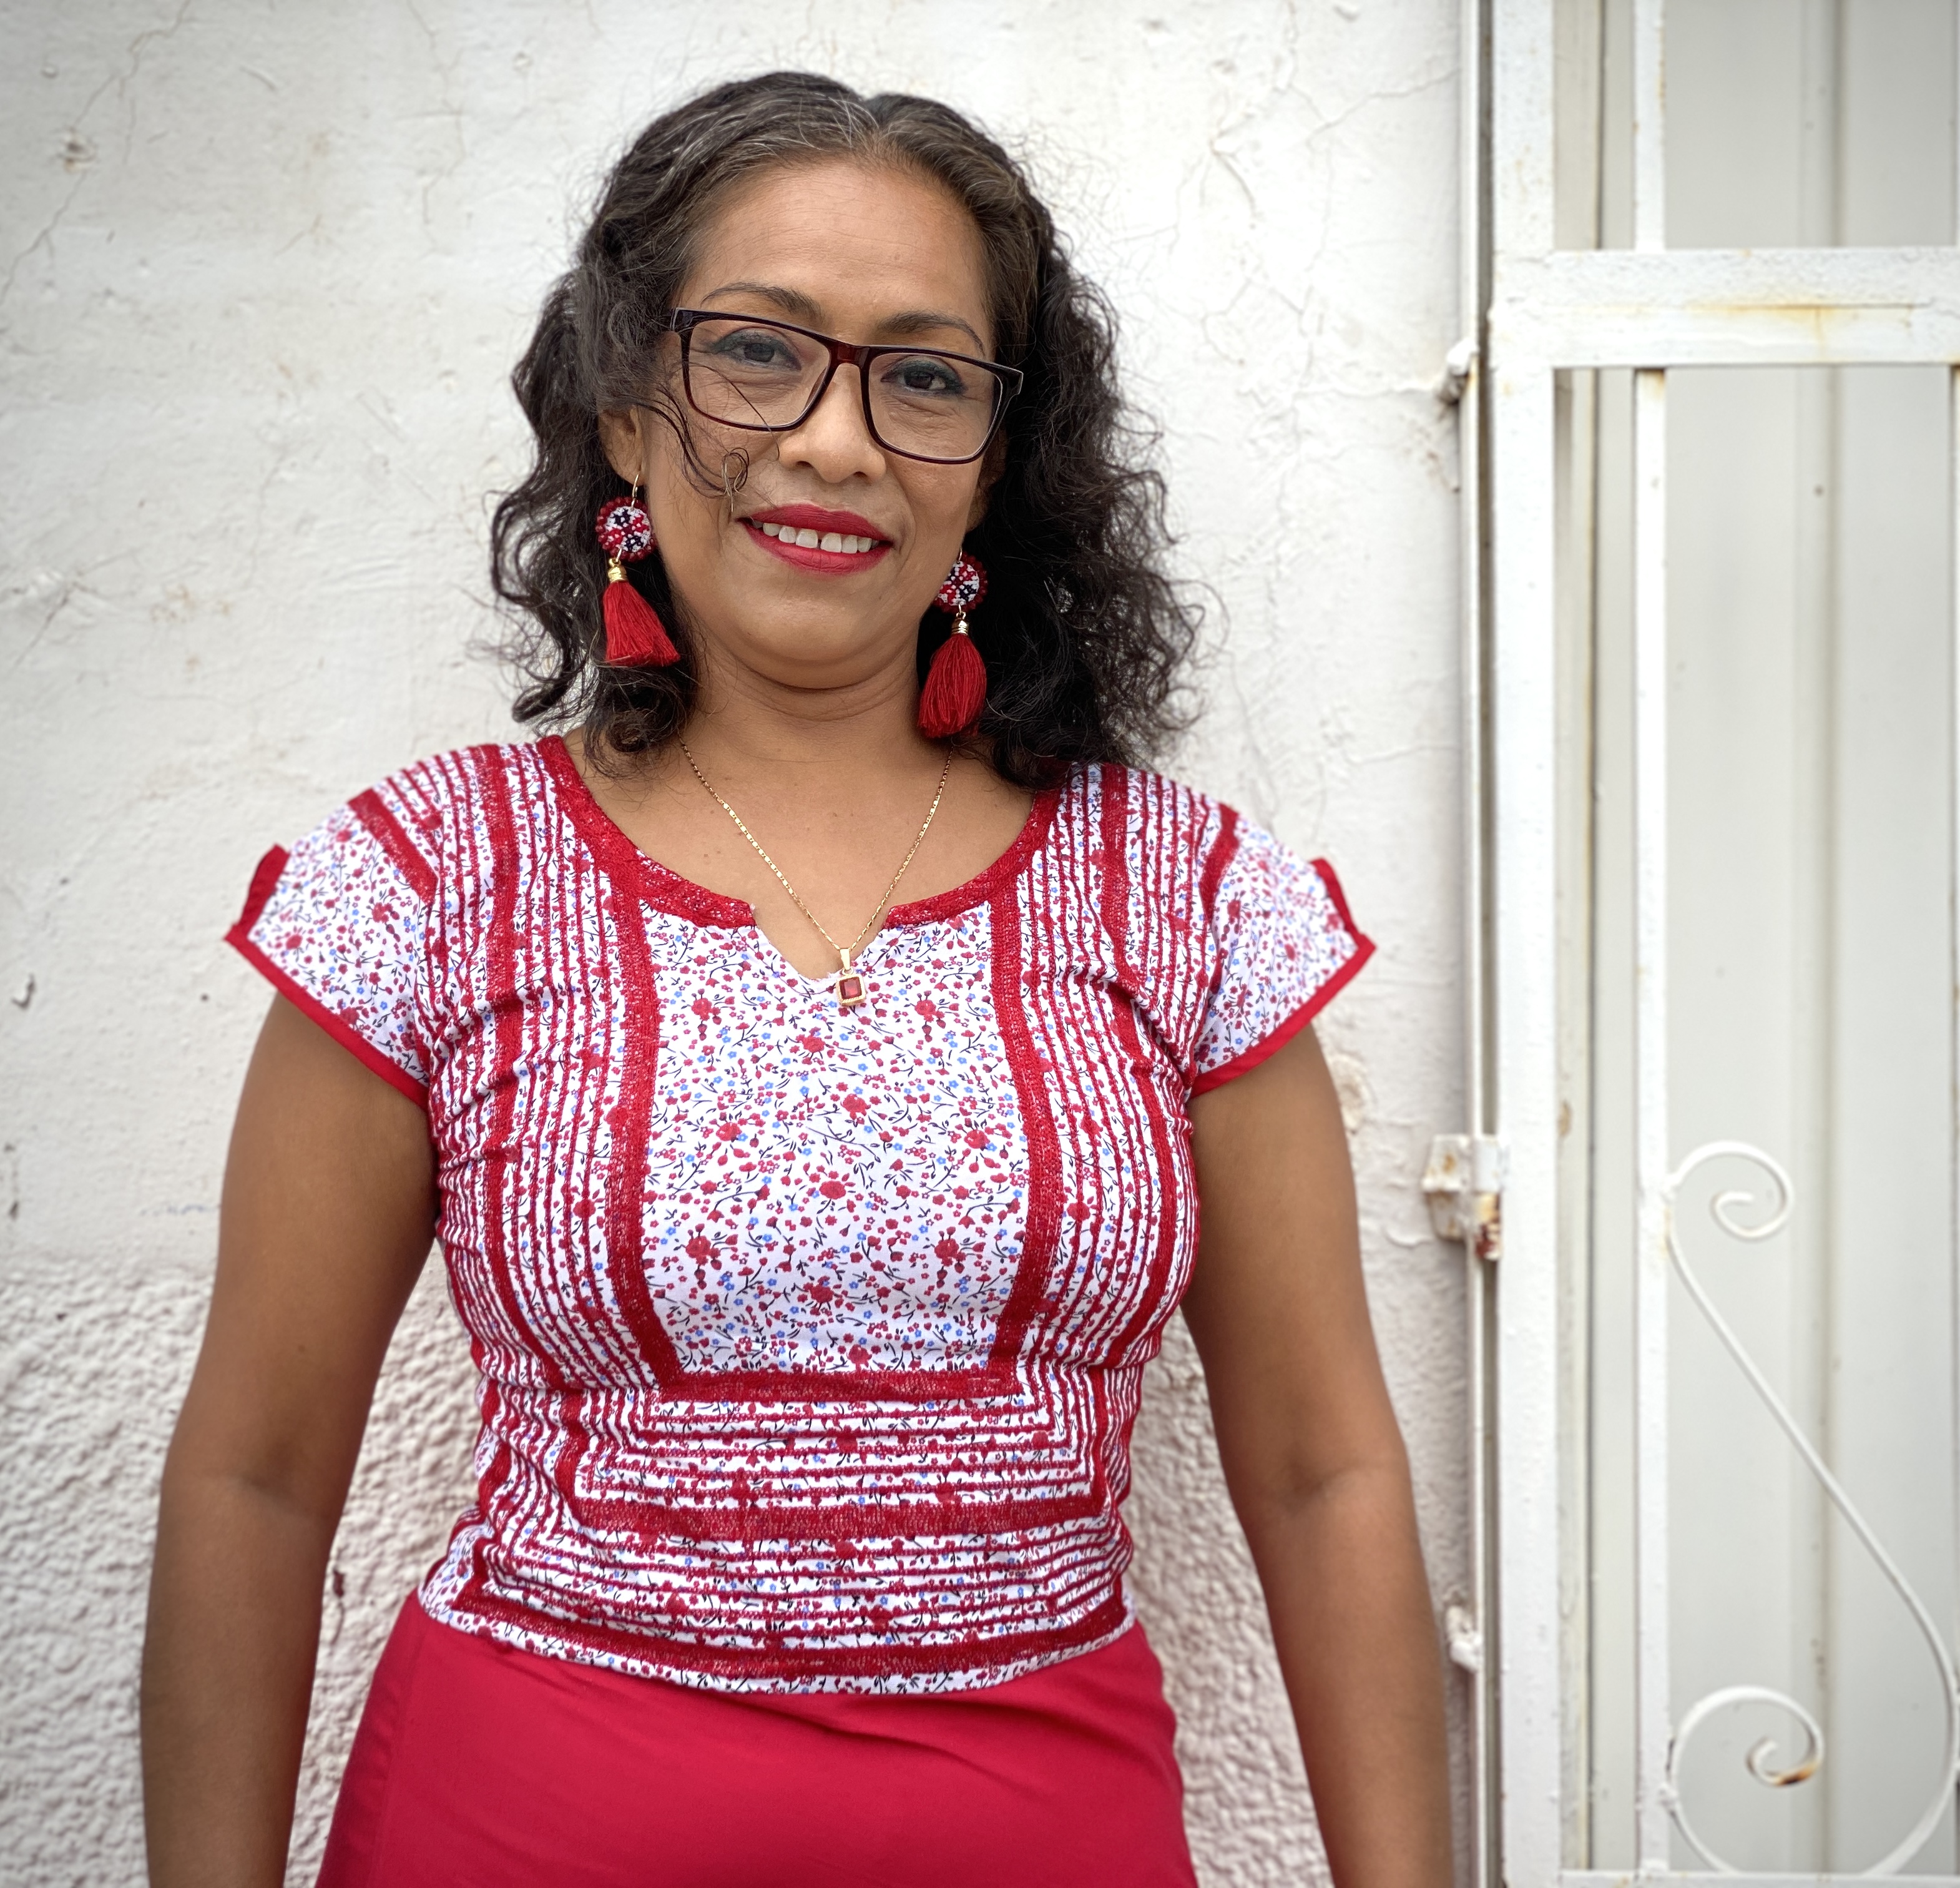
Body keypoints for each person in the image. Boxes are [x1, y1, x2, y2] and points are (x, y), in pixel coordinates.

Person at [139, 72, 1452, 1888]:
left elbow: (1322, 1475)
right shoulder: (434, 885)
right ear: (626, 405)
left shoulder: (1186, 899)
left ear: (997, 459)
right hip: (513, 1829)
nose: (836, 442)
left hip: (1046, 1841)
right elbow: (257, 1478)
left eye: (925, 378)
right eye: (756, 353)